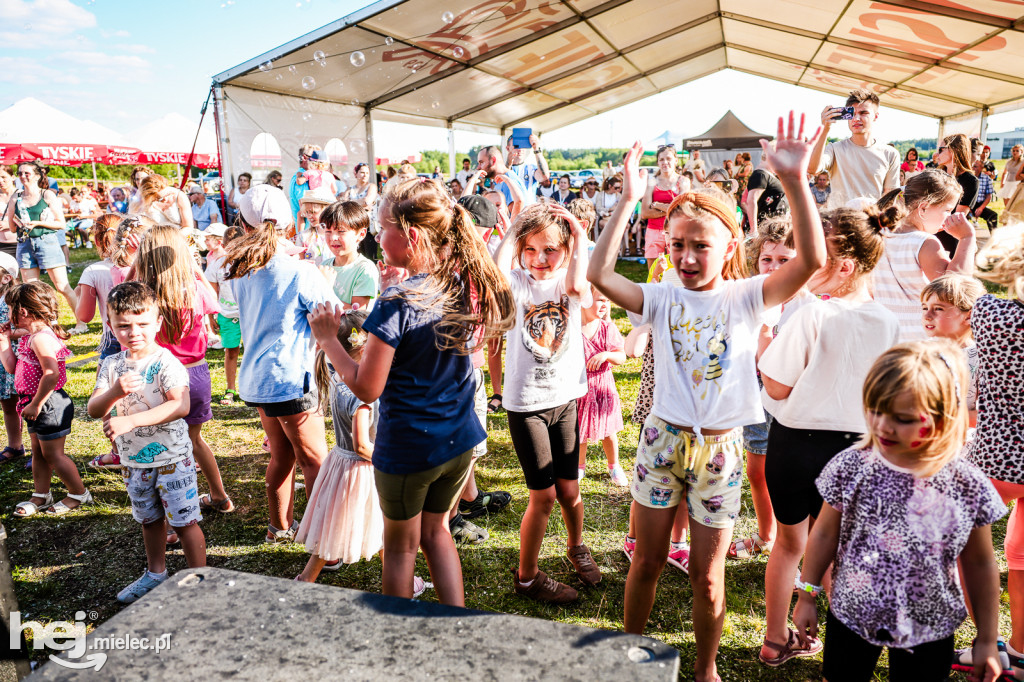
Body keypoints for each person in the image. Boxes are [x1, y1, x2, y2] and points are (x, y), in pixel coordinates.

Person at [587, 113, 827, 682]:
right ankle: (631, 657)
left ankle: (704, 669)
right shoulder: (662, 295)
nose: (687, 258)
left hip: (720, 452)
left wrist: (794, 182)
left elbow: (812, 262)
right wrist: (627, 201)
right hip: (661, 442)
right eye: (677, 245)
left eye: (701, 245)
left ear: (729, 248)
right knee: (645, 561)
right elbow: (599, 274)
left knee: (708, 574)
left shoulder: (748, 298)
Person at [308, 177, 513, 605]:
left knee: (400, 548)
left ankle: (397, 643)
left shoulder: (396, 301)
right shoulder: (457, 284)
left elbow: (366, 387)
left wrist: (328, 340)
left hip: (409, 450)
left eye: (382, 228)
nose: (377, 238)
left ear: (411, 235)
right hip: (458, 441)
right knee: (437, 532)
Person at [792, 342, 1004, 682]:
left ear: (941, 417)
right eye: (875, 410)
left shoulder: (966, 484)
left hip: (930, 623)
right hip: (853, 612)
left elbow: (980, 563)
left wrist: (988, 639)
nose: (883, 426)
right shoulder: (851, 466)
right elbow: (824, 533)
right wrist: (807, 594)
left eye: (902, 419)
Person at [757, 204, 898, 668]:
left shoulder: (811, 316)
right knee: (838, 551)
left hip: (795, 446)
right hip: (856, 451)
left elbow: (775, 385)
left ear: (845, 266)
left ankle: (776, 637)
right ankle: (837, 647)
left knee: (790, 544)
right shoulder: (889, 322)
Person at [492, 202, 598, 604]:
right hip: (526, 405)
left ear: (567, 251)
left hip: (566, 397)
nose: (539, 259)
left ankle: (576, 547)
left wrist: (580, 239)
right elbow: (496, 275)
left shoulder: (568, 283)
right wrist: (513, 230)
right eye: (531, 249)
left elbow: (578, 290)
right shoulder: (517, 282)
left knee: (570, 490)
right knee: (546, 496)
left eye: (550, 249)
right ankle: (527, 577)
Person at [226, 184, 338, 543]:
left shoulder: (240, 269)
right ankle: (327, 542)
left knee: (282, 456)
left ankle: (279, 527)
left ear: (243, 225)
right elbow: (334, 315)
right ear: (290, 224)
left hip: (259, 379)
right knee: (315, 462)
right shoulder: (301, 271)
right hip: (292, 380)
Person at [88, 281, 207, 603]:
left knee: (185, 522)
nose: (133, 331)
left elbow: (180, 406)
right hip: (134, 462)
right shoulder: (111, 365)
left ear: (157, 322)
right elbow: (93, 408)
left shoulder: (167, 363)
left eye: (142, 323)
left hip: (172, 460)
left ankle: (200, 580)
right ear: (110, 325)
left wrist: (131, 420)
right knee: (149, 519)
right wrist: (115, 393)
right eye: (124, 325)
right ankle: (156, 574)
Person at [130, 225, 233, 525]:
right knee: (195, 440)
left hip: (161, 378)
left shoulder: (144, 297)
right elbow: (215, 306)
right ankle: (218, 495)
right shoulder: (196, 288)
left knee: (163, 449)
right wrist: (194, 268)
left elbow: (118, 299)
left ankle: (171, 519)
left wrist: (135, 268)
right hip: (197, 374)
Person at [961, 223, 1024, 678]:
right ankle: (1020, 654)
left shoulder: (991, 315)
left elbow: (964, 282)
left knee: (968, 548)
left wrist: (967, 239)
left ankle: (986, 637)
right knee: (1021, 559)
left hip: (995, 458)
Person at [296, 309, 386, 583]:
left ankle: (305, 579)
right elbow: (361, 444)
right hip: (362, 468)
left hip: (339, 462)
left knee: (333, 529)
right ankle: (402, 581)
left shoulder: (337, 378)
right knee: (380, 525)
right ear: (364, 344)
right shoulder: (362, 396)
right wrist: (387, 460)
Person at [1, 282, 89, 517]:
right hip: (33, 403)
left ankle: (78, 493)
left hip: (48, 403)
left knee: (53, 454)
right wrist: (4, 340)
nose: (8, 314)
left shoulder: (40, 338)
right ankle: (41, 494)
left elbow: (52, 375)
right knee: (38, 452)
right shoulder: (30, 336)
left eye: (10, 309)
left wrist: (37, 403)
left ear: (23, 312)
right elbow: (11, 368)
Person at [872, 170, 976, 342]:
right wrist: (967, 238)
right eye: (947, 210)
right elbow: (955, 287)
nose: (948, 217)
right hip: (921, 336)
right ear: (924, 207)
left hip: (886, 335)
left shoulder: (880, 235)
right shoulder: (924, 243)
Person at [4, 162, 84, 333]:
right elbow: (12, 228)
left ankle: (81, 322)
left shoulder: (47, 195)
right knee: (31, 290)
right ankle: (44, 326)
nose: (23, 176)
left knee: (62, 286)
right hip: (24, 243)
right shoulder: (15, 197)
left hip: (46, 242)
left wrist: (38, 223)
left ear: (37, 175)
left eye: (27, 173)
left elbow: (61, 223)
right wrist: (20, 223)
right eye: (20, 173)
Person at [807, 89, 900, 209]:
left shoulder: (890, 154)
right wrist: (825, 129)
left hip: (870, 223)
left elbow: (890, 197)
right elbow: (813, 169)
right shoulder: (835, 149)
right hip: (837, 223)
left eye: (863, 113)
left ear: (875, 116)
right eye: (852, 114)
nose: (856, 118)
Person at [576, 285, 627, 485]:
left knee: (608, 431)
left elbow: (622, 356)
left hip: (602, 387)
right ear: (584, 301)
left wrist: (607, 355)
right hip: (579, 387)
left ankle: (614, 466)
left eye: (608, 301)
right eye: (600, 300)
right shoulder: (573, 329)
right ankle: (579, 467)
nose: (605, 305)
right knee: (578, 431)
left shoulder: (607, 329)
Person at [920, 273, 986, 426]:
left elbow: (985, 415)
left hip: (962, 443)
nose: (927, 315)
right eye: (924, 308)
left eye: (938, 309)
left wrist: (939, 418)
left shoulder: (980, 358)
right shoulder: (919, 352)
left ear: (969, 316)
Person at [204, 224, 243, 406]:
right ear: (225, 246)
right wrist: (211, 317)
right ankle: (230, 388)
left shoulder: (249, 263)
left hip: (249, 315)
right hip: (227, 315)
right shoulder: (217, 265)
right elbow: (212, 293)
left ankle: (250, 386)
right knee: (231, 351)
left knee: (252, 351)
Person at [75, 214, 121, 361]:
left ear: (96, 240)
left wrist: (80, 293)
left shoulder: (92, 271)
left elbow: (84, 316)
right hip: (145, 332)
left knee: (106, 381)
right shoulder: (142, 264)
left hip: (114, 335)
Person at [318, 201, 379, 309]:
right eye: (328, 231)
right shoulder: (324, 266)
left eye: (341, 231)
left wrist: (326, 290)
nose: (333, 238)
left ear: (361, 234)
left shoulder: (364, 269)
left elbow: (357, 314)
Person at [933, 133, 977, 254]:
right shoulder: (938, 175)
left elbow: (956, 217)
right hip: (930, 234)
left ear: (954, 150)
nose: (937, 154)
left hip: (950, 239)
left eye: (941, 149)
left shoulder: (970, 181)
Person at [641, 145, 687, 261]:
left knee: (675, 272)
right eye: (661, 159)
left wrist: (657, 205)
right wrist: (672, 209)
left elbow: (683, 210)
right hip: (654, 232)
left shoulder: (683, 181)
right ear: (657, 162)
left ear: (676, 161)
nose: (665, 162)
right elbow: (645, 213)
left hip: (676, 231)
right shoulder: (652, 182)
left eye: (668, 158)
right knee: (653, 275)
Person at [0, 254, 23, 465]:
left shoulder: (12, 300)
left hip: (15, 359)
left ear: (6, 278)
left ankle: (40, 449)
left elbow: (28, 327)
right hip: (1, 360)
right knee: (7, 405)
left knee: (24, 404)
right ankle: (15, 446)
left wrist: (7, 333)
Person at [743, 155, 789, 234]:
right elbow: (751, 200)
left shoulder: (768, 174)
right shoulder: (760, 175)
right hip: (765, 229)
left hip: (773, 228)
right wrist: (754, 230)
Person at [477, 145, 531, 210]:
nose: (478, 167)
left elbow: (515, 214)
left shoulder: (508, 181)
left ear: (493, 161)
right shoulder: (501, 180)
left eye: (481, 162)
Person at [504, 132, 549, 199]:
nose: (520, 149)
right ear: (508, 148)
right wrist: (508, 165)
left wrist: (536, 149)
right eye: (516, 146)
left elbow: (544, 176)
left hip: (528, 209)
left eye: (523, 146)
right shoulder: (501, 168)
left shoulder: (531, 168)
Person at [286, 144, 322, 224]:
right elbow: (304, 210)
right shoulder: (302, 177)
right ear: (305, 158)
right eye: (315, 159)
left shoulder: (304, 176)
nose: (319, 163)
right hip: (308, 232)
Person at [972, 161, 998, 232]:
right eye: (972, 166)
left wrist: (981, 208)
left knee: (993, 216)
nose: (973, 168)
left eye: (975, 166)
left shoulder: (986, 178)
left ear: (981, 168)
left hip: (979, 204)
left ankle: (994, 238)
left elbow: (988, 196)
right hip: (967, 204)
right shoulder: (968, 177)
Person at [0, 167, 18, 260]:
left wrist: (9, 224)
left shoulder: (21, 194)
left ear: (12, 177)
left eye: (4, 177)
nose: (0, 180)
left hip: (17, 243)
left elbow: (30, 218)